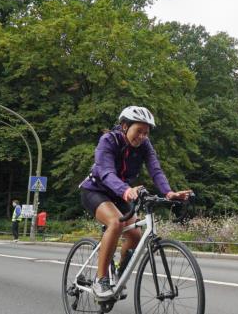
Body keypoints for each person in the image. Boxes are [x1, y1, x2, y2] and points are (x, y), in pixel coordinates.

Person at [78, 106, 191, 300]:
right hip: (95, 190)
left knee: (136, 235)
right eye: (138, 131)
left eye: (146, 133)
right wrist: (126, 190)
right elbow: (106, 172)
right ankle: (101, 279)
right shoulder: (108, 141)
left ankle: (120, 277)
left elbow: (156, 170)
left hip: (121, 194)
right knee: (116, 222)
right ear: (124, 126)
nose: (142, 137)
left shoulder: (145, 146)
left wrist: (169, 192)